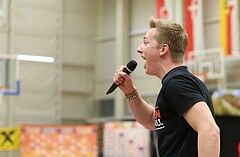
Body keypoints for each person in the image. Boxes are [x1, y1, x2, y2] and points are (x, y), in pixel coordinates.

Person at [113, 16, 220, 157]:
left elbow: (210, 130)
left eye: (145, 43)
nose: (139, 49)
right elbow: (152, 120)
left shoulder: (177, 83)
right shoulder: (176, 83)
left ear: (163, 49)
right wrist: (130, 92)